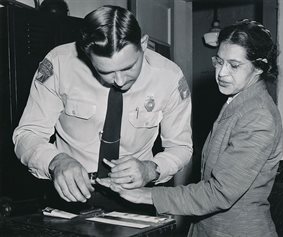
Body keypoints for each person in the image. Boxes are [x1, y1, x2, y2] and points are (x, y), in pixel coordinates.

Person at [99, 19, 283, 237]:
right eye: (219, 61)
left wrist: (144, 195)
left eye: (234, 65)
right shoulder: (238, 102)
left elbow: (219, 193)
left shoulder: (258, 116)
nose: (222, 73)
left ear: (259, 68)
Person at [13, 5, 192, 210]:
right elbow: (27, 134)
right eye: (105, 71)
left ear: (143, 44)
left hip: (137, 198)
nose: (119, 80)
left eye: (129, 67)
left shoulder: (169, 77)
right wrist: (55, 161)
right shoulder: (59, 64)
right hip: (69, 197)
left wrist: (150, 169)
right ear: (85, 53)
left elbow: (181, 147)